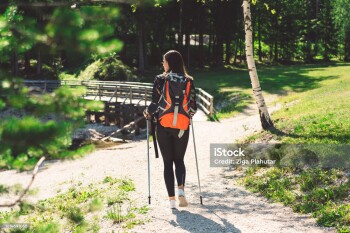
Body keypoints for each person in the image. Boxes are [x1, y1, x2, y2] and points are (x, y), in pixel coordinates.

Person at [144, 50, 197, 209]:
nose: (162, 64)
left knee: (168, 163)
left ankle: (172, 201)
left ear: (169, 63)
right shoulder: (189, 80)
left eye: (164, 61)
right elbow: (193, 107)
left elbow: (154, 104)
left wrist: (147, 113)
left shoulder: (160, 79)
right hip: (182, 127)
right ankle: (181, 190)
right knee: (179, 160)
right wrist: (185, 118)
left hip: (163, 126)